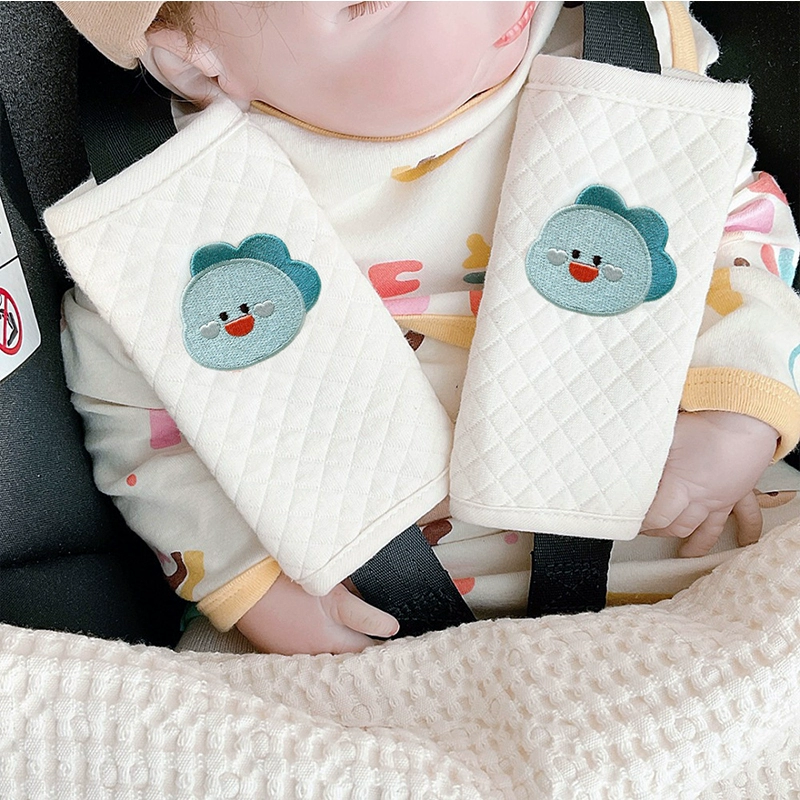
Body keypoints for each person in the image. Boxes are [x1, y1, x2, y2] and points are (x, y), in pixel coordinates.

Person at [53, 1, 800, 654]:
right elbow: (142, 420)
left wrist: (737, 415)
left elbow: (738, 231)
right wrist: (249, 587)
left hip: (685, 542)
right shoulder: (176, 212)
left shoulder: (608, 57)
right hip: (365, 607)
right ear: (197, 66)